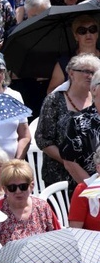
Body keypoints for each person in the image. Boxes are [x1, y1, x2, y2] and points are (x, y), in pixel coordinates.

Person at [37, 55, 100, 188]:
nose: (90, 76)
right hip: (60, 173)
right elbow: (43, 140)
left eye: (93, 72)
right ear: (71, 73)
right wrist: (70, 160)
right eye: (85, 71)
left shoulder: (97, 99)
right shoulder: (54, 100)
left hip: (95, 173)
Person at [0, 160, 60, 246]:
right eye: (12, 187)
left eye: (23, 186)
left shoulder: (42, 207)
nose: (18, 191)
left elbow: (58, 236)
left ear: (32, 186)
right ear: (4, 189)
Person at [62, 70, 100, 190]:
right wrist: (93, 189)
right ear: (94, 89)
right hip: (89, 191)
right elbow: (70, 162)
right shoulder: (78, 121)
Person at [48, 16, 100, 93]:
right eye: (82, 31)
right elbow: (51, 91)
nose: (88, 34)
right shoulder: (65, 62)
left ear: (97, 34)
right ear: (75, 36)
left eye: (92, 30)